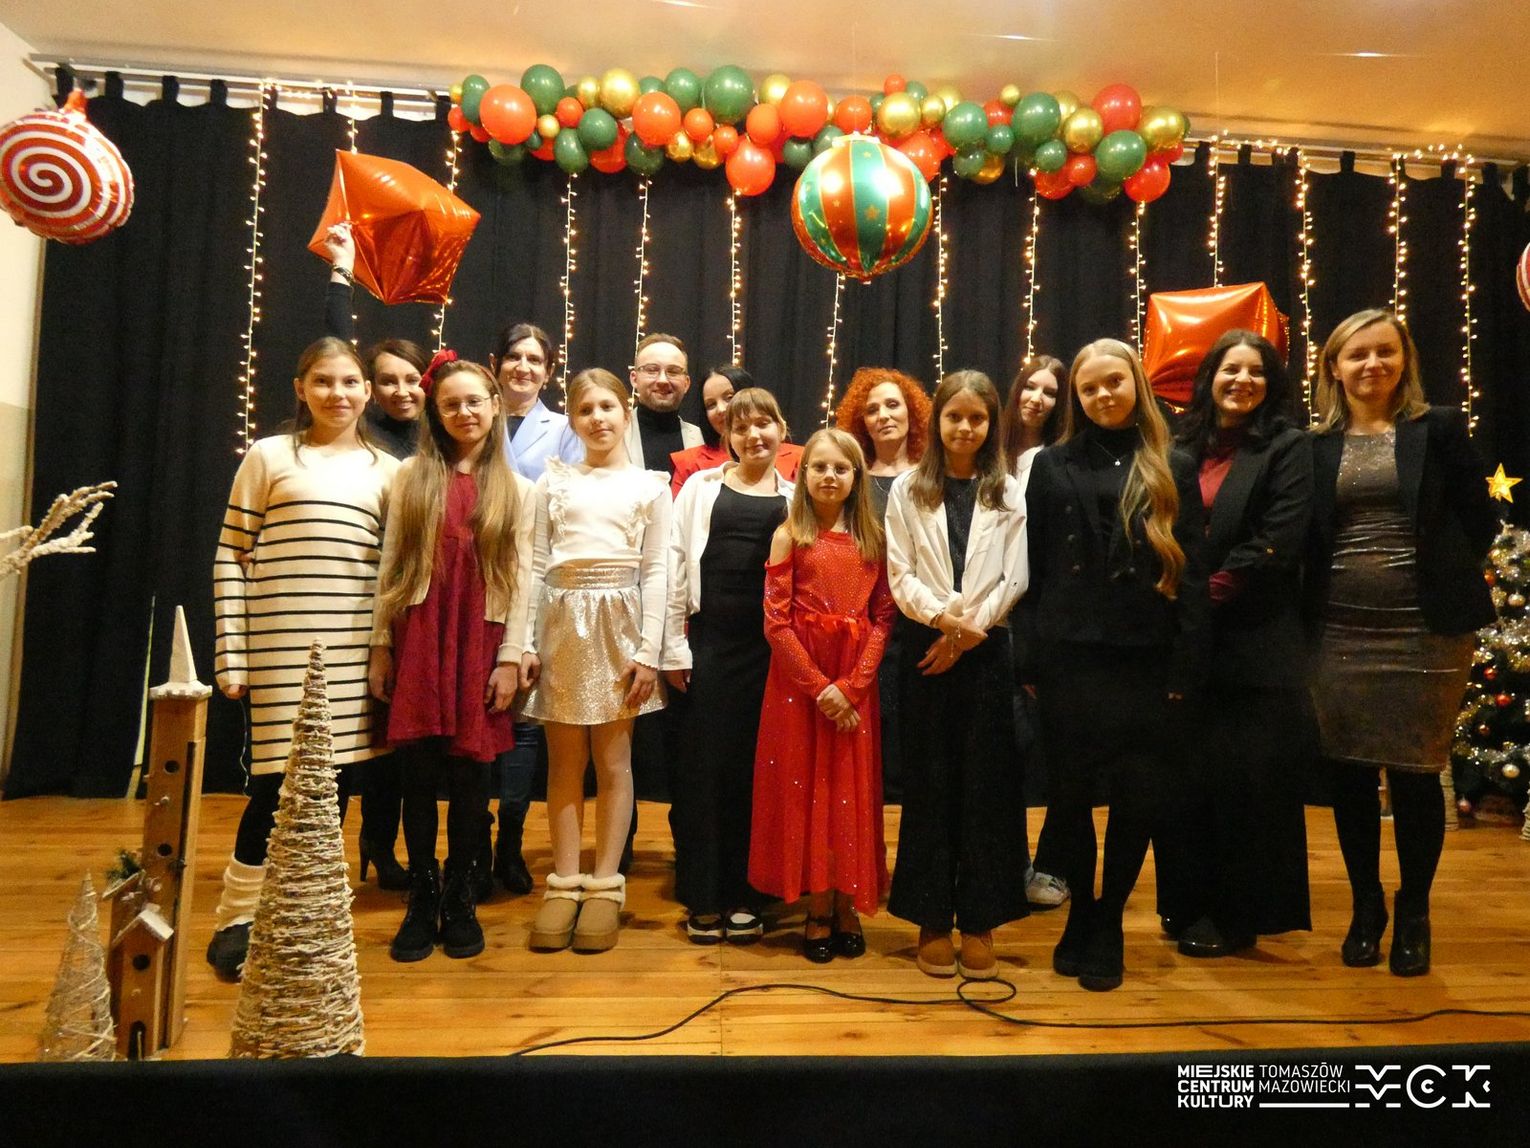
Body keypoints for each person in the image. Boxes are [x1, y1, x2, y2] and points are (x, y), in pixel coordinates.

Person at [1306, 308, 1496, 977]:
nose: (1372, 365)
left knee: (1417, 774)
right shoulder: (1314, 444)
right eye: (1357, 354)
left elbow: (1480, 518)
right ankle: (1367, 907)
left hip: (1427, 632)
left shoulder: (1436, 427)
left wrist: (1438, 574)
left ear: (1404, 360)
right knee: (1351, 774)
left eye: (1385, 352)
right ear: (1334, 366)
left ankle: (1414, 911)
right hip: (1338, 631)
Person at [207, 337, 400, 979]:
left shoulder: (388, 471)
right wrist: (232, 653)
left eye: (349, 382)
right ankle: (238, 915)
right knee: (274, 787)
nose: (336, 394)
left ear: (367, 392)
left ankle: (305, 910)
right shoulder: (268, 456)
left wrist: (383, 652)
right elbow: (231, 553)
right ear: (300, 388)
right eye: (323, 381)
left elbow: (390, 573)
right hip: (280, 649)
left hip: (350, 653)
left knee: (332, 787)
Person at [1022, 340, 1209, 992]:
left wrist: (1187, 666)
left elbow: (1193, 574)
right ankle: (1082, 913)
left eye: (1114, 382)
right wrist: (1030, 655)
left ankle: (1107, 922)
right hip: (1070, 657)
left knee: (1136, 797)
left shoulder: (1173, 464)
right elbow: (1033, 566)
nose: (1103, 395)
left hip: (1146, 659)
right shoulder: (1050, 464)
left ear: (1136, 385)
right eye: (1090, 387)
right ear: (1077, 398)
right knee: (1071, 798)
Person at [368, 354, 535, 962]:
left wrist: (511, 657)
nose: (464, 412)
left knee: (471, 776)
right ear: (435, 413)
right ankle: (422, 893)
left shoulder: (520, 489)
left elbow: (523, 578)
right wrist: (381, 645)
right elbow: (391, 564)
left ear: (493, 407)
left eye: (474, 402)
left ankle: (462, 894)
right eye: (451, 404)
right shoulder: (411, 475)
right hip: (420, 632)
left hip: (480, 639)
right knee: (415, 772)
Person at [1164, 330, 1315, 957]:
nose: (1242, 381)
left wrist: (1199, 598)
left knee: (1248, 785)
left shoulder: (1288, 446)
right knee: (1190, 781)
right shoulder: (1179, 445)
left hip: (1253, 640)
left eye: (1256, 371)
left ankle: (1238, 916)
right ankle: (1187, 907)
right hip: (1188, 643)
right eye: (1231, 369)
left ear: (1271, 383)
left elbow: (1279, 539)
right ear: (1210, 378)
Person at [885, 371, 1030, 980]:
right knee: (930, 784)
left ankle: (979, 919)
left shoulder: (1009, 490)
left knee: (986, 788)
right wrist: (944, 622)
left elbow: (1016, 574)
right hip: (927, 647)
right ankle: (931, 918)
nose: (965, 428)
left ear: (991, 424)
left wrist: (970, 632)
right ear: (937, 421)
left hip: (986, 649)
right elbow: (899, 572)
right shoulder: (907, 489)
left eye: (977, 418)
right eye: (955, 417)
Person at [521, 368, 671, 952]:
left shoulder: (650, 486)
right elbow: (534, 565)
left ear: (625, 414)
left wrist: (649, 650)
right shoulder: (553, 483)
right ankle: (564, 881)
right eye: (585, 410)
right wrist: (524, 642)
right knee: (564, 762)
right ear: (574, 420)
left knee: (614, 761)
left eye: (608, 407)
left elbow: (656, 570)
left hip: (619, 627)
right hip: (561, 624)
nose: (598, 418)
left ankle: (606, 882)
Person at [749, 428, 896, 962]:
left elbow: (884, 616)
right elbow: (775, 623)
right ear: (803, 473)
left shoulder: (873, 539)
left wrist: (852, 688)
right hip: (800, 685)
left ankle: (846, 899)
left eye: (840, 468)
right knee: (806, 788)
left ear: (857, 477)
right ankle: (816, 902)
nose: (829, 476)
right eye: (819, 467)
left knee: (847, 791)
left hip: (854, 682)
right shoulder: (789, 535)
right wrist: (820, 689)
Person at [664, 389, 793, 943]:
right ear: (728, 437)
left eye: (764, 424)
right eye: (741, 428)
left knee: (757, 772)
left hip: (773, 654)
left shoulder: (796, 497)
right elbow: (673, 564)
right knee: (704, 770)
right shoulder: (700, 488)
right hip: (710, 647)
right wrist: (673, 647)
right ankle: (704, 892)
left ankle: (749, 893)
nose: (753, 435)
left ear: (781, 429)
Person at [321, 223, 427, 893]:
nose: (399, 390)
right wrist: (340, 275)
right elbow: (334, 350)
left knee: (391, 746)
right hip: (349, 602)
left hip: (405, 609)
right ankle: (317, 862)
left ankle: (380, 849)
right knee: (331, 745)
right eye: (385, 380)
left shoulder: (438, 438)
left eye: (411, 378)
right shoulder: (357, 431)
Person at [484, 322, 584, 899]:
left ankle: (511, 842)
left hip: (539, 582)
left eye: (535, 360)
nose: (523, 367)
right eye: (514, 357)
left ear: (548, 371)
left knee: (523, 723)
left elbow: (568, 503)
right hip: (476, 577)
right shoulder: (474, 413)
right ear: (495, 363)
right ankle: (474, 841)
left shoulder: (565, 429)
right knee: (476, 719)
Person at [834, 367, 932, 806]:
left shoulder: (930, 477)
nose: (883, 416)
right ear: (862, 421)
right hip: (864, 623)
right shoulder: (852, 481)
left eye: (893, 405)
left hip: (920, 620)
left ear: (912, 413)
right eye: (872, 409)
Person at [999, 354, 1071, 910]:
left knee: (1047, 754)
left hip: (1043, 620)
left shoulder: (1061, 459)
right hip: (993, 619)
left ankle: (1047, 866)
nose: (1037, 399)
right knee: (1005, 753)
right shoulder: (991, 455)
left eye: (1050, 392)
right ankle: (1010, 864)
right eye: (1031, 387)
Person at [670, 365, 802, 497]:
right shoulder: (688, 464)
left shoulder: (799, 458)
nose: (721, 409)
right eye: (711, 404)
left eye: (729, 397)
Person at [626, 332, 703, 474]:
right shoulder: (614, 434)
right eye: (651, 370)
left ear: (686, 383)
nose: (662, 380)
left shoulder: (702, 439)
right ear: (634, 379)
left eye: (673, 372)